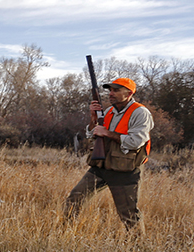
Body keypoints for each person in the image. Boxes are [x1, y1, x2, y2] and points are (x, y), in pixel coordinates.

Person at [65, 77, 153, 230]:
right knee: (75, 198)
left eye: (116, 90)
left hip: (125, 169)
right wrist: (93, 119)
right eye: (110, 90)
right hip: (102, 165)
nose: (111, 93)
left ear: (129, 93)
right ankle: (65, 233)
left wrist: (108, 133)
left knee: (128, 214)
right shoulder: (109, 111)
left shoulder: (141, 113)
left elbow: (135, 142)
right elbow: (92, 134)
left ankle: (140, 249)